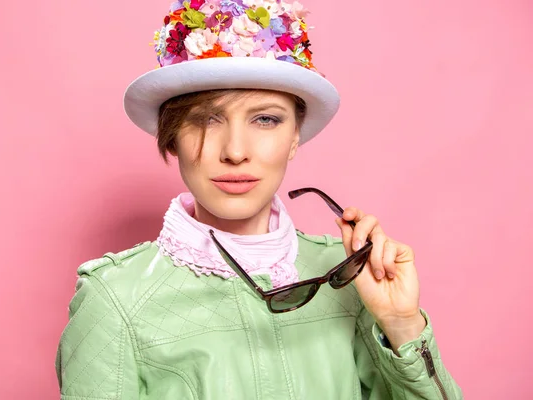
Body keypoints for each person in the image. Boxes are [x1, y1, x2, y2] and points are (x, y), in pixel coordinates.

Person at [55, 1, 463, 398]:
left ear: (294, 138)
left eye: (265, 119)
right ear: (172, 137)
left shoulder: (350, 277)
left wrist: (401, 324)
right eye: (203, 120)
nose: (235, 151)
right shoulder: (115, 297)